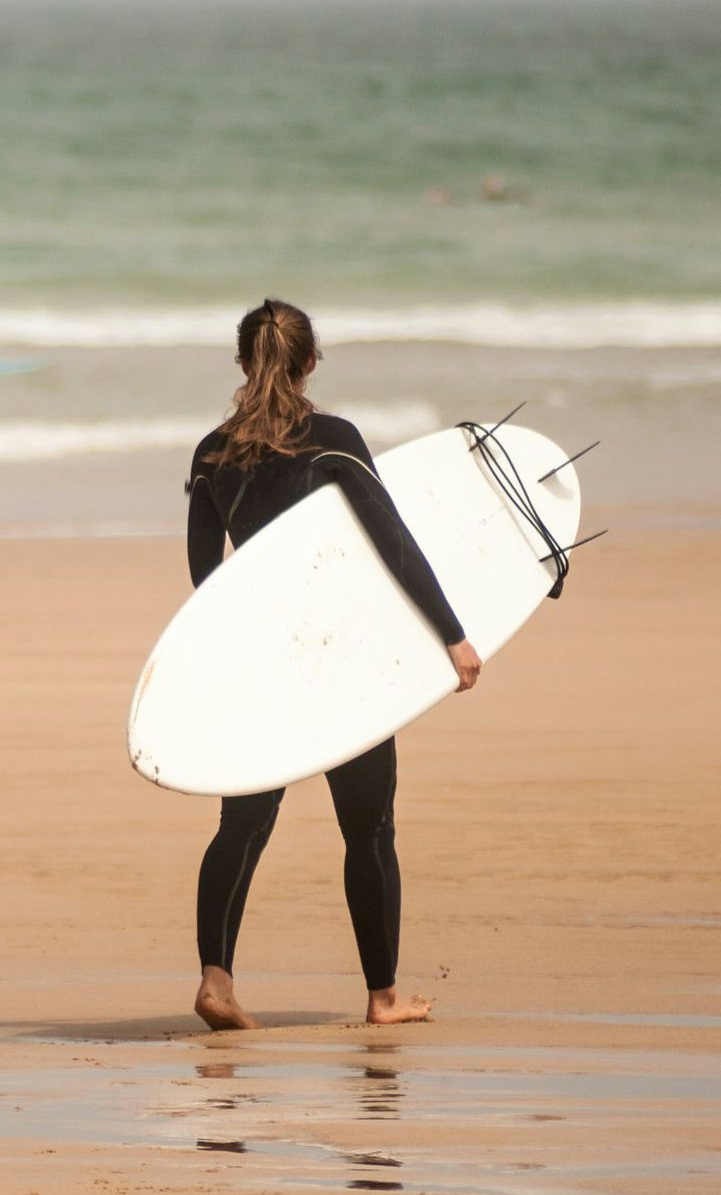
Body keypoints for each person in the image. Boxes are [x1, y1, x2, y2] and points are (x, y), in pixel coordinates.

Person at [181, 298, 484, 1032]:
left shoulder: (212, 453)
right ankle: (383, 998)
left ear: (242, 364)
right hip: (340, 661)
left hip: (263, 661)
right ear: (312, 361)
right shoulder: (334, 442)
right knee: (369, 829)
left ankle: (216, 982)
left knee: (243, 824)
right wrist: (452, 635)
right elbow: (394, 543)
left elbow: (204, 579)